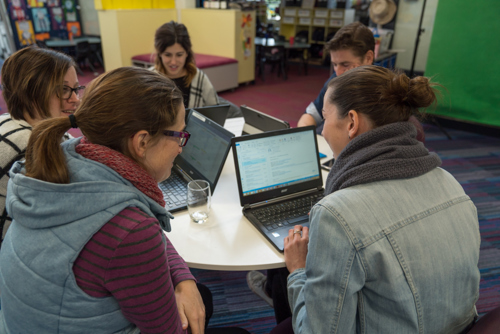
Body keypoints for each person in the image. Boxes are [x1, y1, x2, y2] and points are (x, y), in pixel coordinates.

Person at [0, 67, 249, 334]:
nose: (181, 147)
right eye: (180, 135)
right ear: (141, 142)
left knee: (199, 294)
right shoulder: (130, 228)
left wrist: (183, 277)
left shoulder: (66, 161)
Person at [273, 65, 480, 333]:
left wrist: (299, 271)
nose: (322, 131)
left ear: (351, 122)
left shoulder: (336, 215)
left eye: (325, 119)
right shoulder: (450, 182)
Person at [0, 46, 82, 249]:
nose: (75, 99)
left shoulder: (9, 120)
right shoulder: (29, 149)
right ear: (31, 91)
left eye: (76, 88)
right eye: (63, 89)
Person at [296, 22, 425, 141]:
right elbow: (311, 115)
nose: (338, 72)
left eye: (345, 64)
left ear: (368, 58)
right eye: (335, 64)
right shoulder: (335, 81)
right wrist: (303, 135)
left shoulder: (388, 90)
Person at [153, 20, 219, 109]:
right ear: (159, 54)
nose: (173, 62)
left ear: (187, 53)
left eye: (179, 55)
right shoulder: (149, 79)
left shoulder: (199, 79)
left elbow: (216, 111)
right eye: (167, 55)